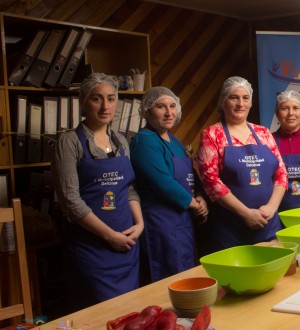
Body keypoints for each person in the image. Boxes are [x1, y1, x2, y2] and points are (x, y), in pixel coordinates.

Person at [52, 73, 143, 310]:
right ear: (84, 102)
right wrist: (109, 236)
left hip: (126, 246)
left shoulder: (121, 141)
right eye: (97, 99)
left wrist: (140, 224)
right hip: (91, 248)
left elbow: (129, 188)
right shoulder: (69, 142)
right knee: (98, 313)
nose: (106, 106)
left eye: (111, 99)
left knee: (129, 313)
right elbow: (70, 202)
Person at [196, 76, 287, 254]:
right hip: (230, 228)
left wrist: (272, 207)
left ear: (251, 102)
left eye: (245, 98)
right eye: (233, 97)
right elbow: (210, 180)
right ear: (222, 102)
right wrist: (245, 213)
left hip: (268, 224)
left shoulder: (263, 133)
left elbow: (281, 173)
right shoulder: (212, 134)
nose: (240, 103)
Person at [129, 87, 208, 282]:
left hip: (184, 221)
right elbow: (162, 182)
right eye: (160, 106)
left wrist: (200, 196)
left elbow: (191, 174)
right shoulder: (143, 141)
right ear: (147, 111)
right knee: (169, 281)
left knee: (187, 276)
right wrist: (194, 204)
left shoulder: (174, 140)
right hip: (161, 223)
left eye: (172, 106)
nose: (168, 112)